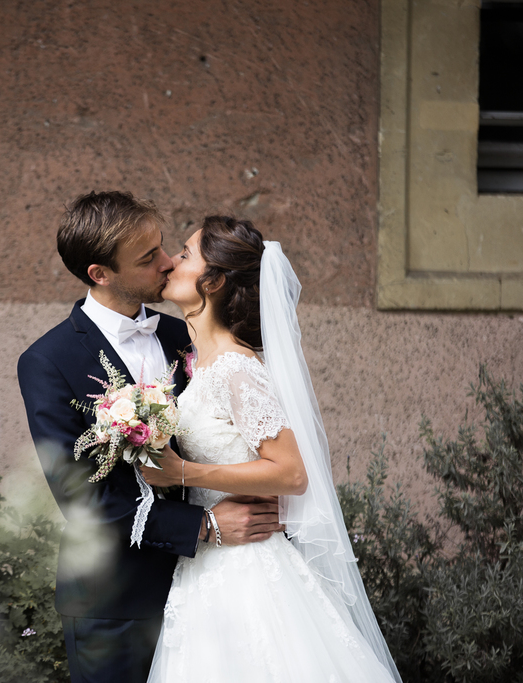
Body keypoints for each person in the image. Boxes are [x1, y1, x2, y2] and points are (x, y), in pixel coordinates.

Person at [17, 192, 283, 683]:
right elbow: (82, 499)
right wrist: (204, 526)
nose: (167, 263)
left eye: (163, 247)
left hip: (214, 585)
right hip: (115, 601)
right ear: (100, 273)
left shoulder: (184, 335)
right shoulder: (48, 362)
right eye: (147, 258)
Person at [140, 216, 402, 683]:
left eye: (185, 253)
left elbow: (291, 474)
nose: (171, 262)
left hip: (249, 570)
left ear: (213, 281)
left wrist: (184, 472)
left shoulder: (237, 370)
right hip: (208, 563)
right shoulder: (202, 366)